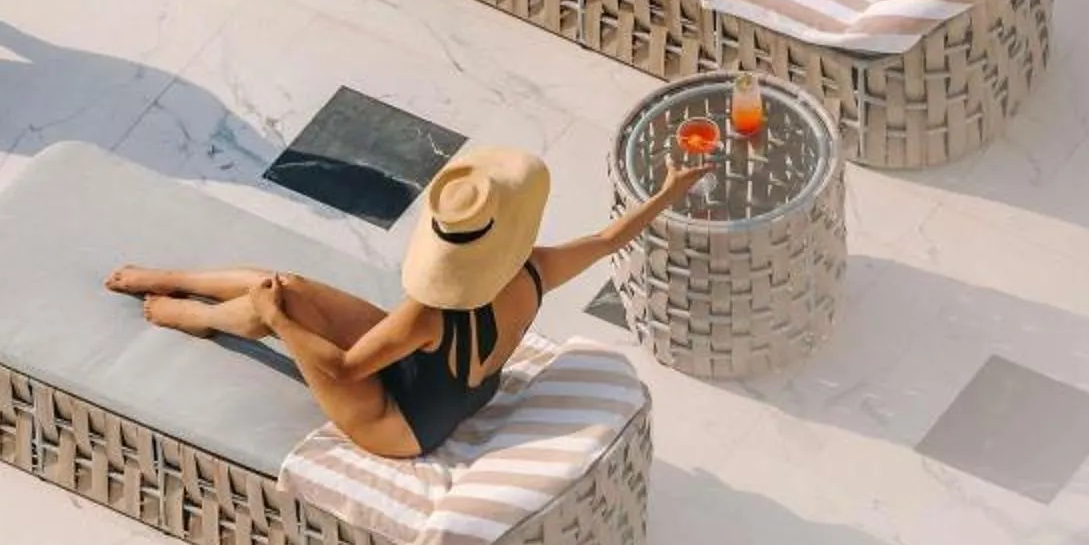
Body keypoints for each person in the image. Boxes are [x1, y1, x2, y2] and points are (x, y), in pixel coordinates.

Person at [104, 144, 709, 460]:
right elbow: (606, 241)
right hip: (456, 384)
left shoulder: (426, 314)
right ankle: (177, 278)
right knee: (283, 282)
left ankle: (202, 317)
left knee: (278, 304)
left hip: (404, 427)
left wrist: (279, 322)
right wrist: (667, 191)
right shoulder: (534, 268)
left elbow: (343, 369)